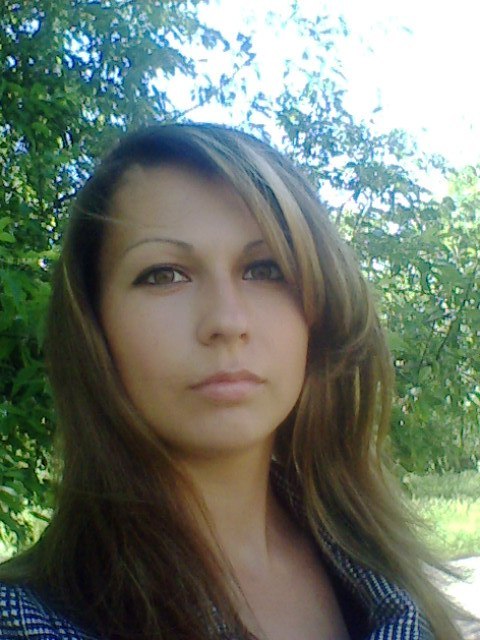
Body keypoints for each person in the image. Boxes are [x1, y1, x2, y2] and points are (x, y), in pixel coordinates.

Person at [0, 123, 466, 639]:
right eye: (163, 274)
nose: (227, 320)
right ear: (94, 324)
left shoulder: (379, 565)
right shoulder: (25, 621)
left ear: (320, 312)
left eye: (265, 269)